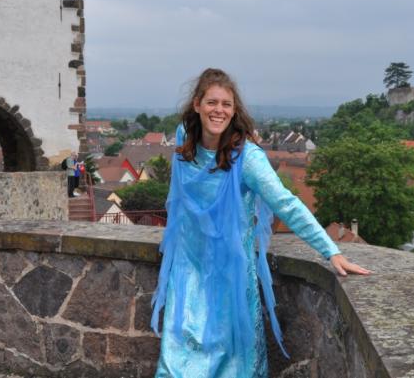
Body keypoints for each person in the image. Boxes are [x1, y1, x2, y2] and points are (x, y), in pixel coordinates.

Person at [151, 68, 371, 378]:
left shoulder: (247, 158)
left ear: (234, 110)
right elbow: (179, 199)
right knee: (176, 363)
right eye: (212, 102)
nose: (219, 110)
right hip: (188, 268)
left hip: (229, 274)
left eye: (226, 104)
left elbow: (286, 204)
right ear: (197, 104)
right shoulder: (184, 139)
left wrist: (331, 250)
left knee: (229, 364)